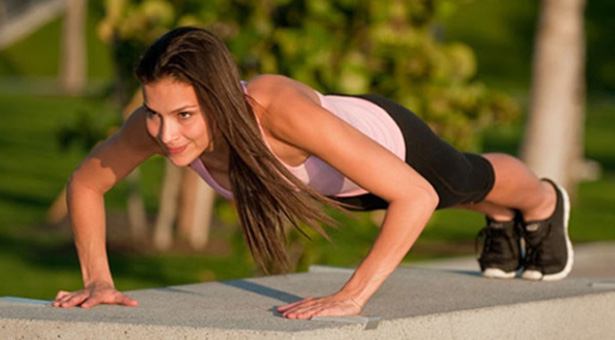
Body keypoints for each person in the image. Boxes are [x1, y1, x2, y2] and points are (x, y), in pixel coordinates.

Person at [52, 27, 573, 319]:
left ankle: (542, 204)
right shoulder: (155, 128)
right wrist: (98, 280)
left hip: (392, 146)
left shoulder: (275, 109)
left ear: (220, 98)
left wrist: (354, 295)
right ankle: (503, 217)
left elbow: (414, 196)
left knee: (465, 182)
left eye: (184, 116)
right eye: (154, 111)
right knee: (472, 198)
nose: (166, 135)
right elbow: (87, 182)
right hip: (341, 188)